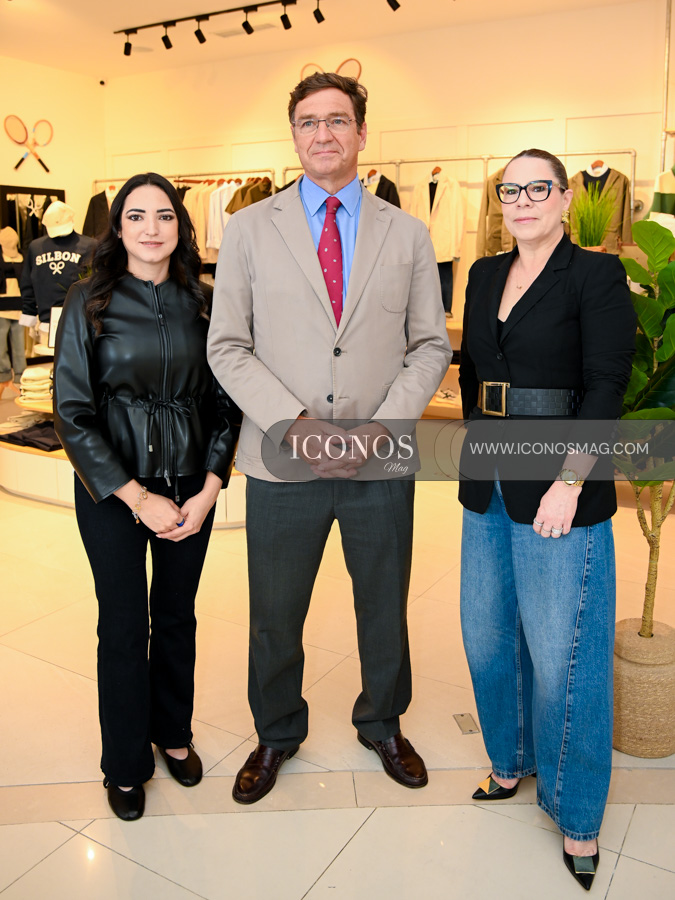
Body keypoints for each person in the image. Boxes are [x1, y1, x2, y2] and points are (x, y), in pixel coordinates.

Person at [207, 72, 451, 804]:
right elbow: (228, 347)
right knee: (275, 613)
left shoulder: (407, 233)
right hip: (284, 460)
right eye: (308, 121)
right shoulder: (249, 229)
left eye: (338, 120)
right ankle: (276, 731)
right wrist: (298, 427)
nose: (323, 133)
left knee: (383, 605)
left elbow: (430, 346)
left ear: (361, 134)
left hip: (381, 458)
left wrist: (382, 427)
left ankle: (382, 722)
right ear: (293, 135)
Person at [458, 149, 636, 890]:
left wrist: (570, 481)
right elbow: (474, 372)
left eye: (539, 188)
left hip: (561, 482)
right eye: (511, 189)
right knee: (488, 637)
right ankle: (511, 759)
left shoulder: (594, 275)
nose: (524, 200)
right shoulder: (481, 274)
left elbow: (606, 385)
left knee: (566, 656)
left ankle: (577, 812)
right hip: (487, 478)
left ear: (565, 199)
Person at [53, 173, 239, 821]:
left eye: (164, 215)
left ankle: (172, 732)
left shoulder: (206, 302)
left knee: (178, 615)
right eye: (136, 216)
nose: (151, 228)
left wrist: (211, 486)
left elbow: (226, 405)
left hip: (190, 484)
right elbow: (72, 412)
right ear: (118, 227)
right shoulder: (88, 299)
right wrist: (137, 497)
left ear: (180, 226)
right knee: (125, 625)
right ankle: (126, 763)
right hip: (112, 488)